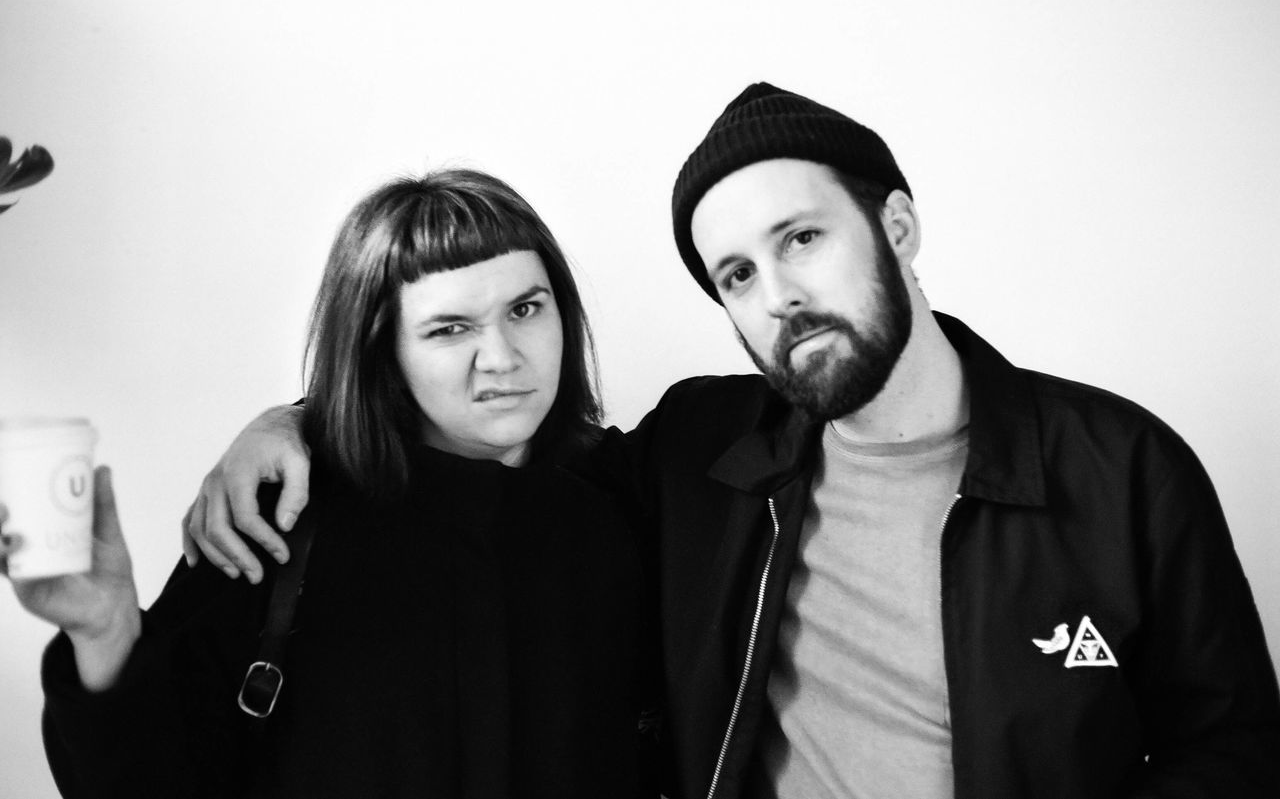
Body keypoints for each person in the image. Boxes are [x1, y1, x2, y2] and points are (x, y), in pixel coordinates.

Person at [185, 84, 1280, 798]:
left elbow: (1230, 750)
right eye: (736, 276)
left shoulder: (1119, 467)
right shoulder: (698, 453)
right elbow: (494, 454)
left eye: (800, 239)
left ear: (895, 230)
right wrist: (295, 424)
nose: (778, 296)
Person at [2, 169, 656, 798]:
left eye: (526, 308)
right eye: (449, 328)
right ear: (381, 347)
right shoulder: (277, 518)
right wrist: (105, 635)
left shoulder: (618, 512)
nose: (505, 355)